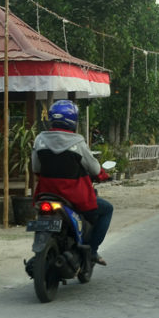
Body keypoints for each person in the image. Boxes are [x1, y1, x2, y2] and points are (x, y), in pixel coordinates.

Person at [30, 100, 113, 266]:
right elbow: (95, 169)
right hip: (74, 197)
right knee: (107, 209)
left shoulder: (40, 140)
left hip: (46, 194)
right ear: (73, 121)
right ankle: (93, 250)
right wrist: (103, 175)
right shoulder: (77, 142)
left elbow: (35, 167)